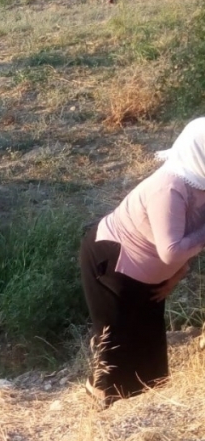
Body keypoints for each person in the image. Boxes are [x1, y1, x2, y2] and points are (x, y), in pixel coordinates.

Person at [80, 118, 205, 407]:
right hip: (113, 261)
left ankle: (143, 408)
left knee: (149, 345)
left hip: (151, 269)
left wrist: (175, 276)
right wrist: (174, 266)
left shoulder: (200, 182)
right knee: (117, 338)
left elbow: (187, 240)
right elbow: (172, 249)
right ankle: (99, 404)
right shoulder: (169, 188)